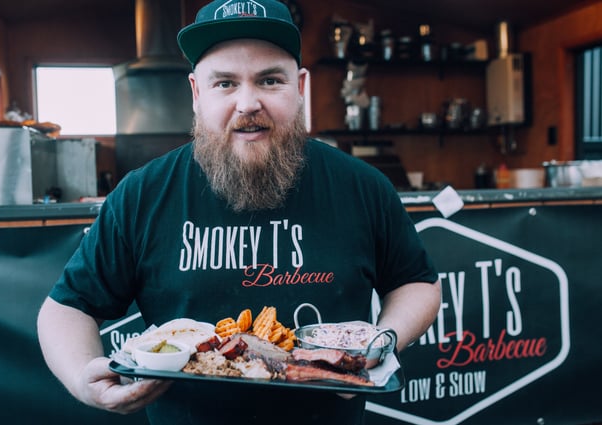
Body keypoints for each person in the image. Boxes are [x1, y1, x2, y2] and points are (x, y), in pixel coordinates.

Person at [36, 0, 441, 424]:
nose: (247, 103)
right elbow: (66, 307)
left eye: (269, 80)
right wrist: (84, 379)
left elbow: (417, 283)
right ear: (196, 93)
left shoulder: (363, 186)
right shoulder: (143, 194)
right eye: (225, 83)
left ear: (300, 87)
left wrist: (379, 346)